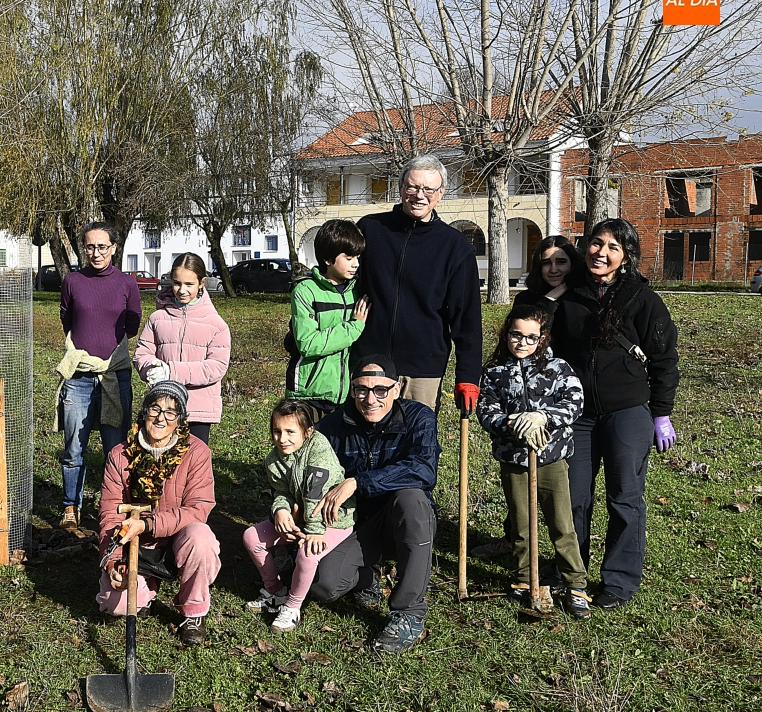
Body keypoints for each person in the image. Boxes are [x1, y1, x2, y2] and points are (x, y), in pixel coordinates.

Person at [547, 218, 679, 609]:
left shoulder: (643, 299)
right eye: (596, 243)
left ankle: (619, 583)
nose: (601, 253)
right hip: (577, 416)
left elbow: (664, 359)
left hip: (627, 413)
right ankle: (571, 573)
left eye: (612, 248)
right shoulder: (567, 295)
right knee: (573, 498)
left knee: (625, 498)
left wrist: (660, 413)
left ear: (625, 258)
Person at [309, 355, 441, 654]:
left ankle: (409, 611)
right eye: (361, 390)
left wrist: (359, 481)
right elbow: (307, 470)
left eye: (380, 390)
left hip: (405, 521)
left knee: (411, 497)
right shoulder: (333, 426)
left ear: (396, 389)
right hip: (355, 523)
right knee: (323, 586)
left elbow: (423, 469)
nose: (370, 399)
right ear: (351, 389)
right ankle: (367, 574)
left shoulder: (419, 418)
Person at [473, 234, 584, 561]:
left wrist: (549, 412)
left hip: (559, 396)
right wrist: (548, 301)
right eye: (546, 262)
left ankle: (570, 567)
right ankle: (516, 549)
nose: (553, 268)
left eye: (561, 261)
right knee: (520, 500)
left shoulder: (580, 297)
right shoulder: (531, 299)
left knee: (557, 492)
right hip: (516, 400)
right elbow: (520, 333)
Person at [475, 305, 591, 618]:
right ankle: (525, 578)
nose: (523, 342)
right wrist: (514, 424)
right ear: (506, 334)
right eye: (516, 335)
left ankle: (575, 583)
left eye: (531, 337)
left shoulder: (558, 368)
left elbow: (575, 402)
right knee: (522, 524)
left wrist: (543, 417)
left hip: (550, 456)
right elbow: (486, 412)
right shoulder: (495, 371)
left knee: (561, 524)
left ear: (542, 338)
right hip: (514, 458)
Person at [352, 154, 482, 415]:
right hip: (369, 362)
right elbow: (337, 277)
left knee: (416, 445)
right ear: (401, 188)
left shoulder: (455, 247)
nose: (419, 195)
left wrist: (468, 376)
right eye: (412, 187)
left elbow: (467, 318)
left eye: (428, 189)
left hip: (422, 369)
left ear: (441, 193)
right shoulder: (371, 229)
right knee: (364, 444)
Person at [96, 381, 220, 647]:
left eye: (171, 412)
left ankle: (193, 612)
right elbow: (109, 515)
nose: (161, 417)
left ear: (181, 420)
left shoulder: (197, 453)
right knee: (113, 604)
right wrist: (114, 562)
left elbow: (198, 509)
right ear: (144, 413)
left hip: (178, 539)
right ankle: (146, 589)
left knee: (202, 538)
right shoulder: (120, 455)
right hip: (135, 544)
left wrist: (148, 525)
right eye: (155, 408)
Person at [55, 221, 142, 529]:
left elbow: (132, 326)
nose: (95, 253)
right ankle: (70, 505)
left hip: (114, 377)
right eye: (90, 247)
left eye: (102, 247)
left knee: (115, 448)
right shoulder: (73, 281)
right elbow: (67, 319)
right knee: (73, 446)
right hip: (78, 377)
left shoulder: (127, 284)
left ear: (114, 248)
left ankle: (113, 506)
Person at [242, 399, 354, 632]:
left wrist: (313, 531)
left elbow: (316, 492)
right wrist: (281, 510)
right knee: (251, 537)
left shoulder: (319, 450)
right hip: (303, 516)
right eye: (277, 431)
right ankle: (275, 591)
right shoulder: (274, 460)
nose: (282, 439)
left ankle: (293, 607)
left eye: (290, 432)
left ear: (308, 432)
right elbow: (282, 492)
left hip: (333, 520)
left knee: (308, 553)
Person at [134, 253, 231, 445]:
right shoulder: (157, 318)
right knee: (161, 463)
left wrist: (171, 371)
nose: (182, 290)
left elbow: (216, 367)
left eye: (189, 284)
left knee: (194, 465)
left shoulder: (216, 324)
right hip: (163, 407)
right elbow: (142, 353)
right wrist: (150, 369)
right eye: (177, 283)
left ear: (202, 282)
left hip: (198, 409)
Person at [285, 219, 371, 421]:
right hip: (308, 395)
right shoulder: (306, 291)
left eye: (358, 257)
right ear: (327, 258)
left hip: (346, 395)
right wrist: (353, 327)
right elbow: (308, 344)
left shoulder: (358, 291)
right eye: (349, 257)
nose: (356, 264)